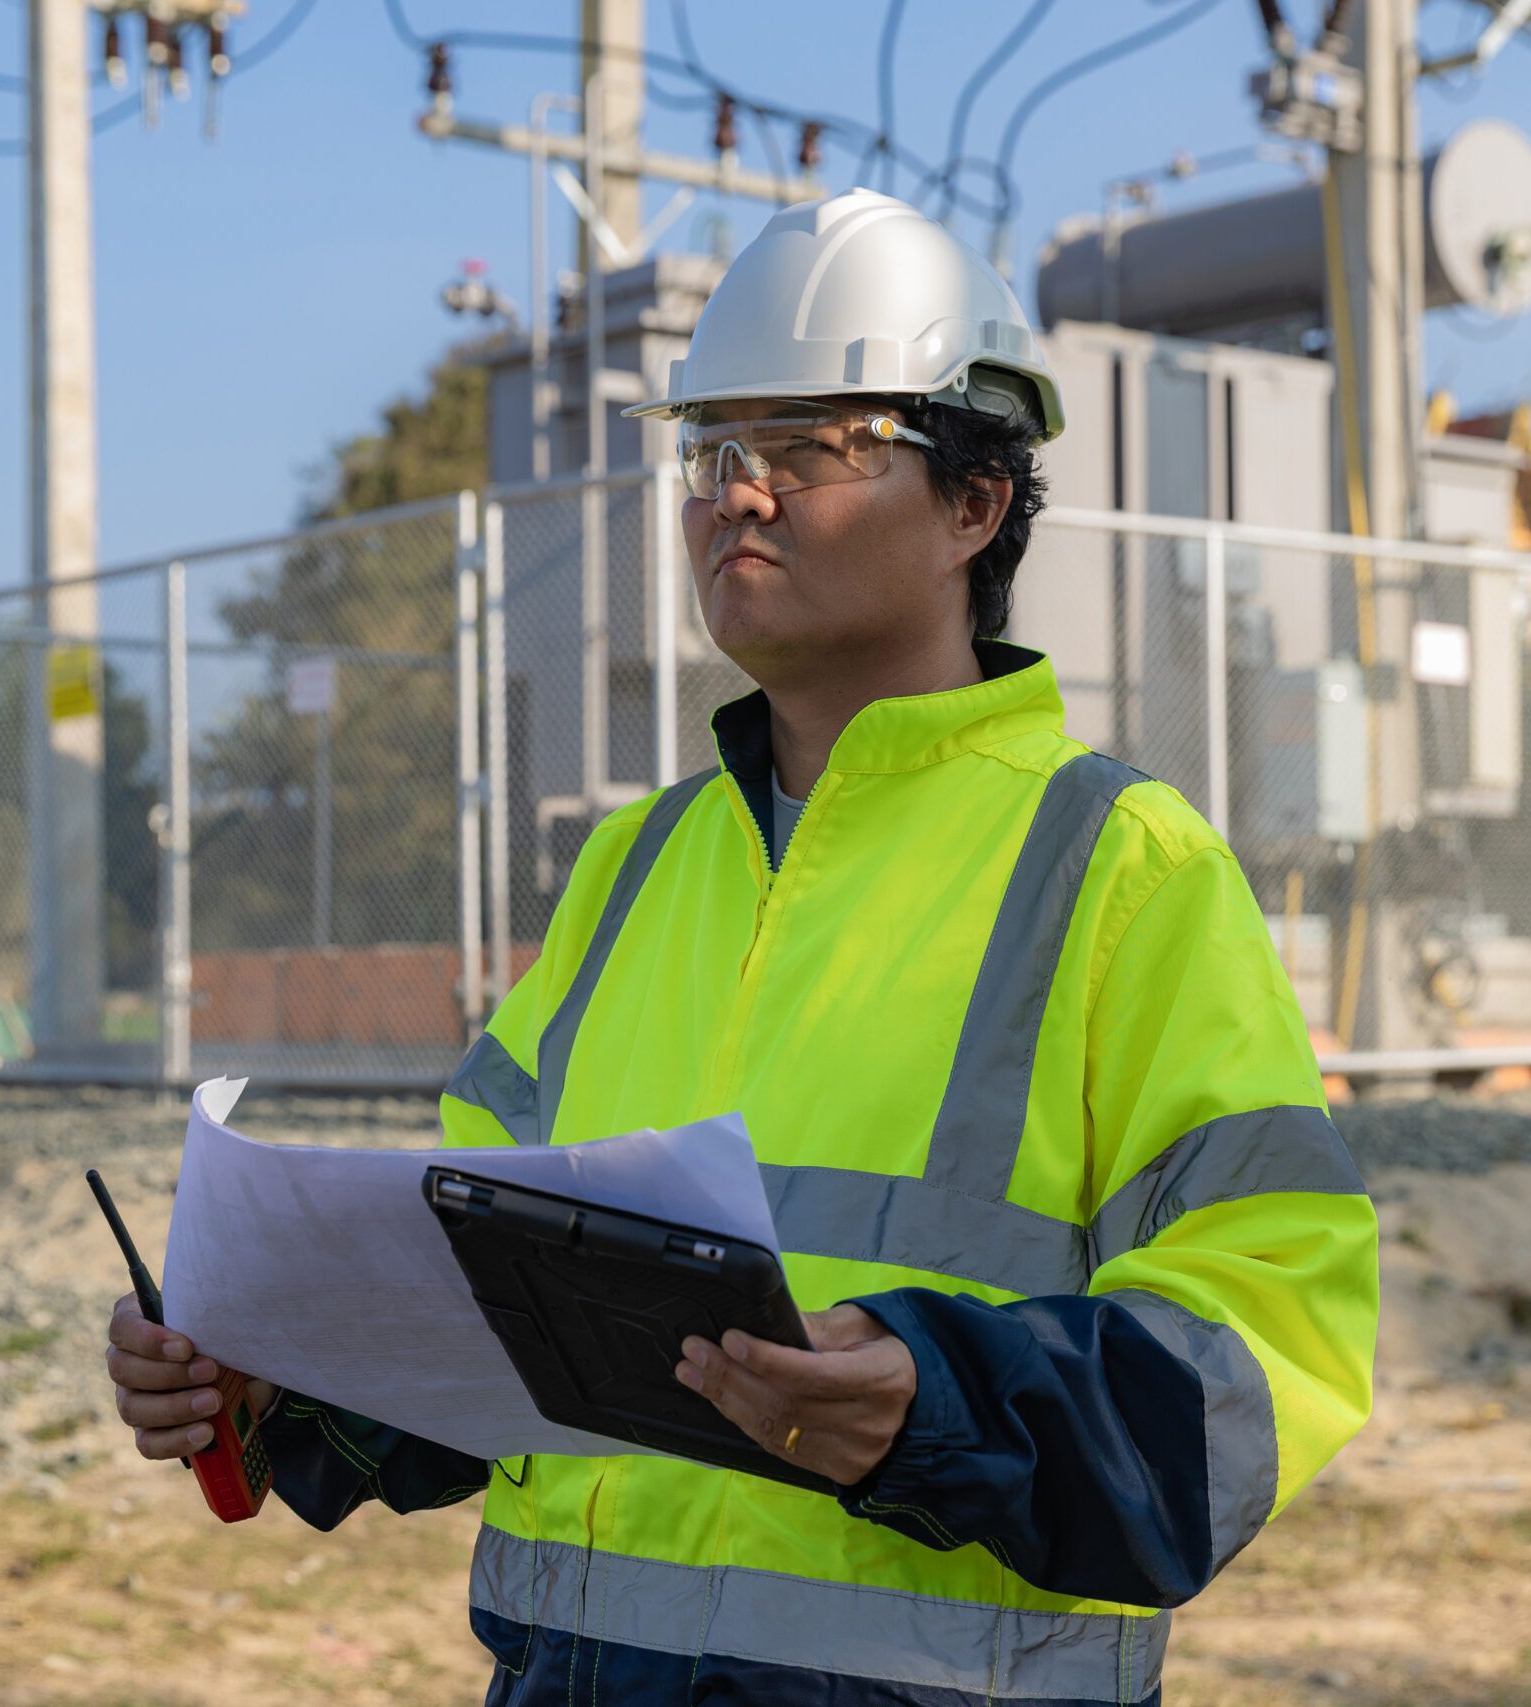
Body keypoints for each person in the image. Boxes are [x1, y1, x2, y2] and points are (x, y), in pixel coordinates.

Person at [107, 189, 1378, 1706]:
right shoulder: (635, 868)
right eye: (713, 451)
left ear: (976, 503)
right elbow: (478, 1292)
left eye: (809, 448)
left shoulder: (1122, 868)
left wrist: (936, 1405)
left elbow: (1270, 1337)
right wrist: (277, 1369)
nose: (738, 497)